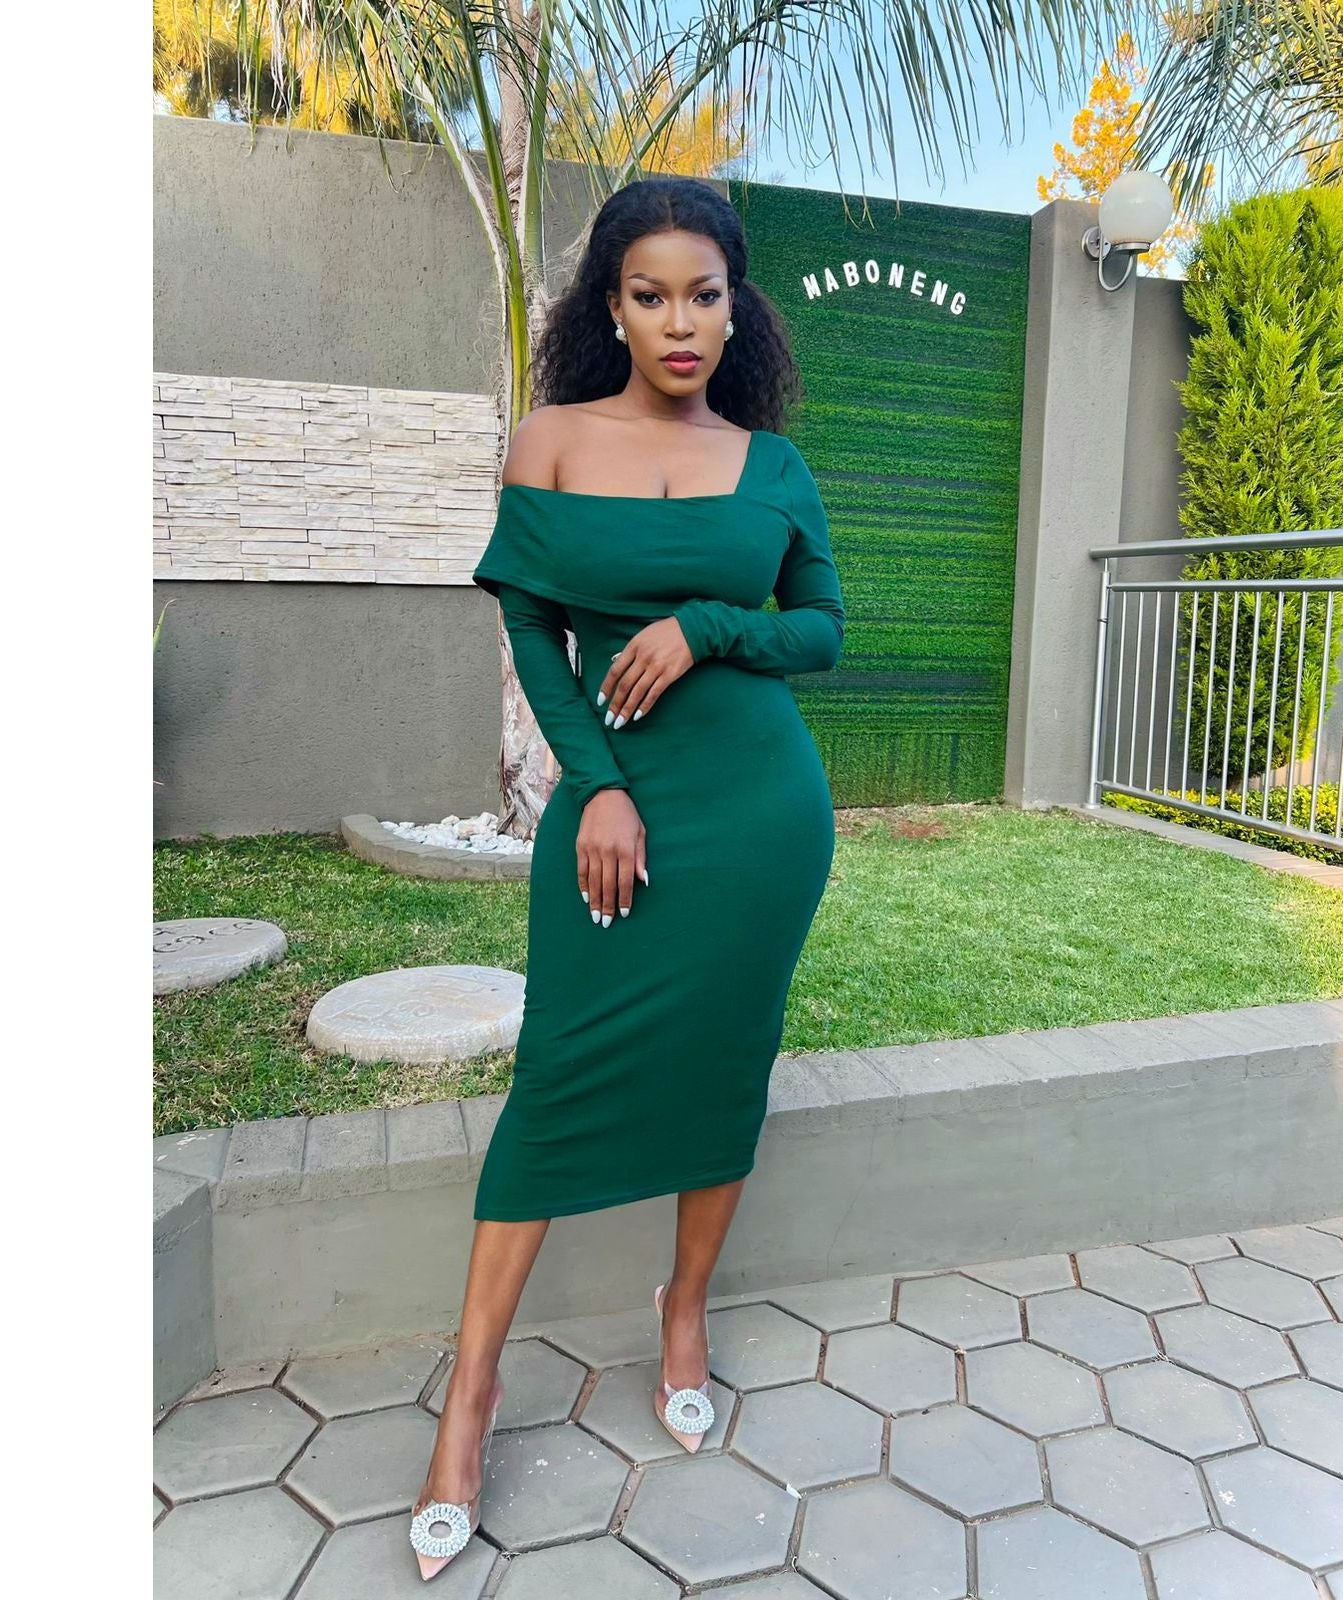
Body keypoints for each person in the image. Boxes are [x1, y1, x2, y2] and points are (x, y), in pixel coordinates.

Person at [406, 173, 845, 1580]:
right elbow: (535, 630)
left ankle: (684, 1312)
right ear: (611, 307)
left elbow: (821, 630)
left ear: (736, 308)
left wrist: (709, 625)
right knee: (559, 1076)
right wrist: (595, 782)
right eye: (651, 296)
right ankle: (472, 1391)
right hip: (616, 802)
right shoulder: (549, 442)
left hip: (759, 813)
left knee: (726, 1061)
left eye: (704, 295)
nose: (680, 322)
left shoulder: (770, 467)